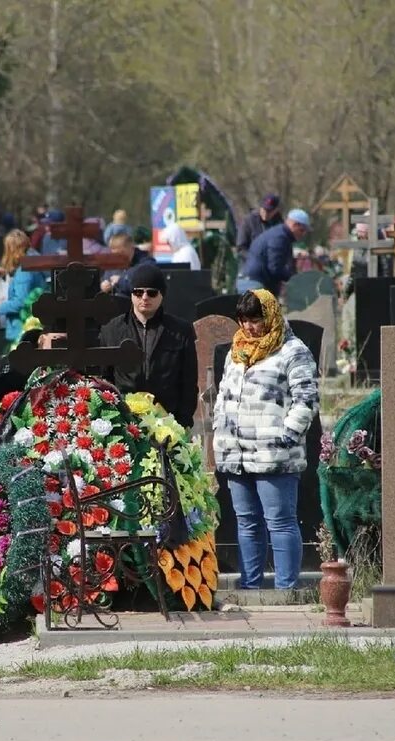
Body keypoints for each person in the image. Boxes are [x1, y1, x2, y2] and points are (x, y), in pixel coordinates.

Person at [213, 290, 319, 590]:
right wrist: (221, 428)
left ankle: (286, 590)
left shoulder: (292, 351)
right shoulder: (237, 352)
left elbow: (307, 400)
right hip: (236, 453)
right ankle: (251, 587)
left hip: (275, 454)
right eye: (243, 320)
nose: (248, 327)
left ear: (270, 316)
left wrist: (286, 436)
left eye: (255, 320)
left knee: (280, 522)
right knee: (246, 523)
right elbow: (223, 396)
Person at [98, 263, 198, 428]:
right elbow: (104, 378)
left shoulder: (180, 331)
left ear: (162, 295)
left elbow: (188, 381)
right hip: (124, 420)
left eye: (151, 292)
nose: (144, 297)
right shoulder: (112, 330)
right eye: (138, 292)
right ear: (131, 294)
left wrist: (182, 422)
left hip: (168, 421)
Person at [237, 208, 311, 296]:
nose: (303, 234)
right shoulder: (280, 238)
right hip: (254, 282)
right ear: (295, 225)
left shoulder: (281, 235)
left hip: (253, 280)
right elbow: (275, 268)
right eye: (302, 230)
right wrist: (294, 278)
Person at [0, 229, 48, 343]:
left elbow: (20, 302)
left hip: (22, 327)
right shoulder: (36, 262)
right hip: (34, 324)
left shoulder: (24, 272)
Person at [236, 193, 284, 261]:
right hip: (250, 265)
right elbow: (241, 248)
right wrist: (255, 258)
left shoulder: (280, 224)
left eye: (269, 211)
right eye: (264, 209)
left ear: (276, 210)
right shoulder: (248, 221)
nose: (266, 213)